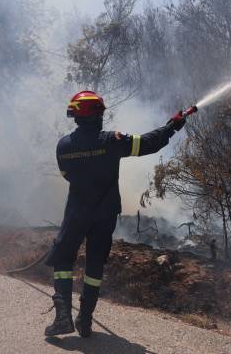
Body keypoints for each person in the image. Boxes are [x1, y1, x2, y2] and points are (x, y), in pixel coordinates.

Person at [44, 91, 186, 338]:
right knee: (95, 265)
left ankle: (63, 317)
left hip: (77, 212)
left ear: (76, 116)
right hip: (105, 213)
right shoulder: (111, 141)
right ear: (97, 115)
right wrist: (171, 126)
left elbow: (67, 176)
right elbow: (148, 143)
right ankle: (85, 320)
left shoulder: (63, 146)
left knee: (62, 259)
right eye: (100, 112)